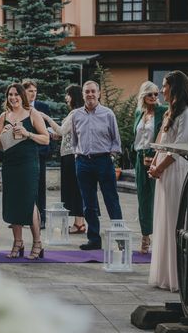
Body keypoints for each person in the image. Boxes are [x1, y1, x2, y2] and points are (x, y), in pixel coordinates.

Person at [148, 71, 188, 291]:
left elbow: (180, 148)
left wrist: (160, 167)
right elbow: (162, 143)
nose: (162, 90)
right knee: (163, 220)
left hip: (176, 170)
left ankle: (180, 277)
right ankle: (165, 274)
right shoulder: (170, 113)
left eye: (164, 85)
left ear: (175, 88)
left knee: (175, 220)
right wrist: (154, 163)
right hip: (163, 170)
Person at [0, 83, 50, 259]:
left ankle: (37, 242)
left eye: (16, 94)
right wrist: (3, 135)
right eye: (10, 95)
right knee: (12, 202)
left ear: (22, 96)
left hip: (28, 163)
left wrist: (28, 133)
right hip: (10, 164)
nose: (13, 98)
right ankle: (18, 242)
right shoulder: (4, 116)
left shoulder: (32, 114)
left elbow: (46, 139)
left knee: (29, 202)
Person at [71, 80, 123, 250]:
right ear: (83, 94)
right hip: (83, 162)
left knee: (111, 201)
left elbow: (116, 140)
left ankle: (121, 240)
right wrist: (77, 156)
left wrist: (112, 158)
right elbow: (74, 140)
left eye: (93, 91)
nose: (90, 94)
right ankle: (94, 240)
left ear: (99, 93)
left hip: (104, 161)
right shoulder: (76, 115)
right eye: (87, 92)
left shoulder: (108, 114)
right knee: (89, 204)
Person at [41, 84, 86, 234]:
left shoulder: (75, 113)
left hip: (71, 156)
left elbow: (60, 129)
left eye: (68, 94)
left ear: (74, 96)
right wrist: (56, 134)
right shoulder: (76, 112)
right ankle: (79, 222)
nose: (66, 97)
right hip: (69, 155)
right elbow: (63, 133)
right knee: (73, 189)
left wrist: (47, 118)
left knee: (74, 189)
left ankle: (79, 223)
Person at [133, 81, 167, 254]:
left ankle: (161, 239)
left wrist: (155, 156)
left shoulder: (163, 111)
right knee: (143, 199)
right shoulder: (139, 112)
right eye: (150, 94)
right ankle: (145, 236)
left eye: (156, 94)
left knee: (158, 198)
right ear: (143, 96)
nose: (154, 97)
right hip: (140, 157)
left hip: (156, 157)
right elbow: (137, 138)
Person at [23, 80, 51, 229]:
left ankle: (42, 219)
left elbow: (48, 131)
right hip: (24, 154)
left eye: (35, 91)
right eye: (30, 91)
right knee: (23, 187)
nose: (33, 94)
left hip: (39, 153)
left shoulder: (43, 108)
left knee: (40, 187)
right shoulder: (18, 108)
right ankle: (22, 217)